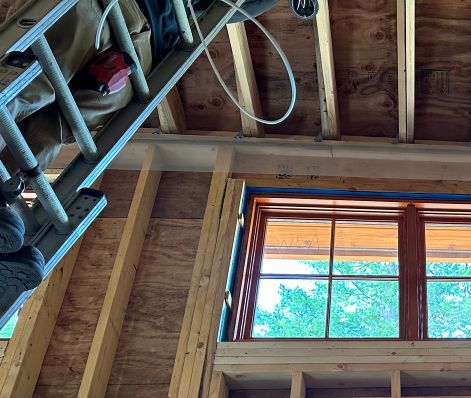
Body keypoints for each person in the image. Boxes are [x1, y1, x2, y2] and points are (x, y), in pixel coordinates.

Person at [0, 0, 276, 289]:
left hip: (138, 56)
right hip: (108, 7)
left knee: (53, 129)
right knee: (31, 80)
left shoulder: (207, 9)